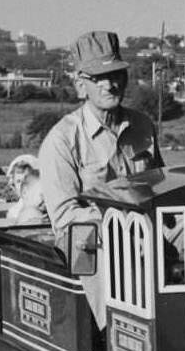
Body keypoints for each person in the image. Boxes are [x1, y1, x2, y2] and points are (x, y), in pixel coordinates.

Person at [37, 30, 162, 235]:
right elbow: (64, 218)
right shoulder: (62, 140)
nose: (110, 86)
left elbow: (161, 187)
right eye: (98, 79)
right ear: (80, 86)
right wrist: (119, 219)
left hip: (149, 237)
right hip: (98, 248)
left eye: (115, 75)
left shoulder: (143, 126)